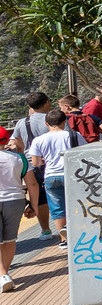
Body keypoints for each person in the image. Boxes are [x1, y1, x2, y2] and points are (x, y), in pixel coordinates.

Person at [30, 105, 77, 242]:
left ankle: (64, 239)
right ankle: (79, 234)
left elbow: (36, 163)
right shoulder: (74, 135)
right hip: (72, 175)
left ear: (46, 123)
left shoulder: (38, 140)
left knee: (57, 209)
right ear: (64, 122)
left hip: (51, 176)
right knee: (76, 204)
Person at [11, 93, 51, 237]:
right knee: (60, 195)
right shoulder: (52, 119)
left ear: (30, 106)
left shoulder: (22, 122)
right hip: (52, 163)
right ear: (47, 103)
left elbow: (15, 141)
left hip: (31, 165)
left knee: (40, 198)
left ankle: (46, 230)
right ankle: (65, 229)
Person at [0, 130, 26, 289]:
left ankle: (3, 274)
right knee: (9, 240)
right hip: (15, 201)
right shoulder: (18, 158)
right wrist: (34, 206)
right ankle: (5, 274)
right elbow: (32, 184)